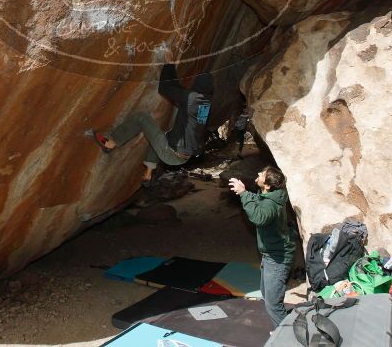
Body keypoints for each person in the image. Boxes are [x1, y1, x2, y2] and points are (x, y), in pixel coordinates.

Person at [88, 61, 213, 181]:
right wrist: (172, 68)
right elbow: (178, 89)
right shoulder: (206, 103)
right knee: (161, 136)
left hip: (172, 153)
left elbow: (165, 88)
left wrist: (168, 64)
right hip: (184, 156)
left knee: (142, 118)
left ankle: (111, 143)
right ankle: (149, 171)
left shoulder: (191, 97)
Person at [229, 166, 295, 331]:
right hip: (270, 256)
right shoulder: (269, 196)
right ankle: (282, 330)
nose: (258, 173)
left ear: (267, 185)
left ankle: (288, 337)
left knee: (273, 304)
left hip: (277, 259)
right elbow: (259, 201)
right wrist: (244, 192)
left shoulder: (271, 205)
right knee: (267, 295)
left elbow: (259, 217)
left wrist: (244, 194)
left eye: (262, 174)